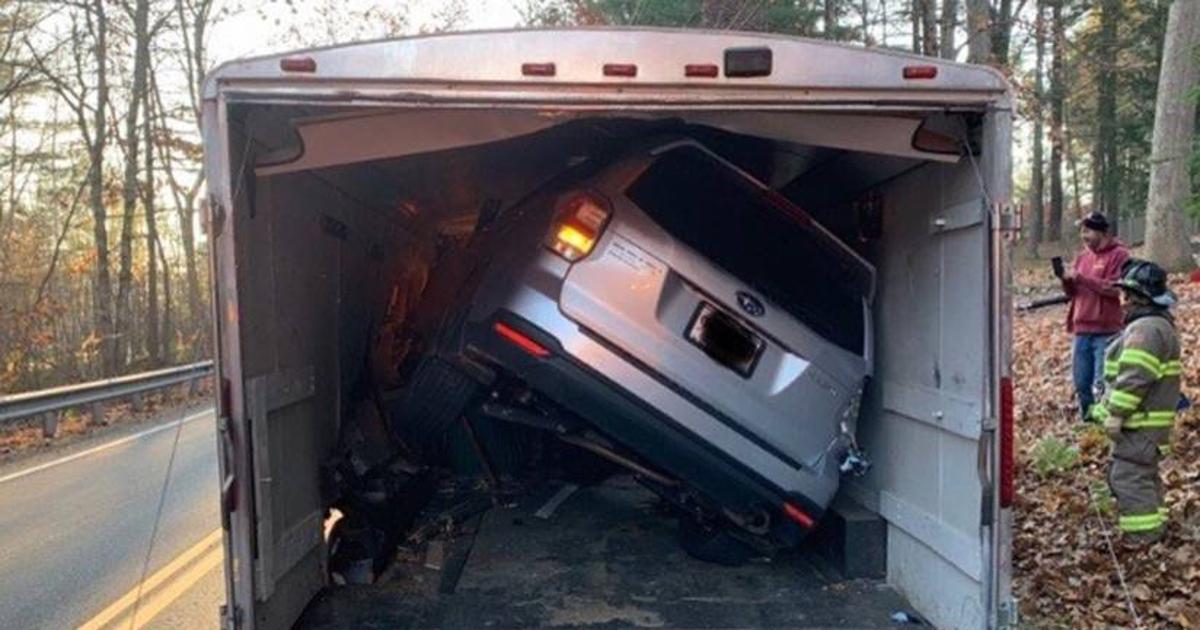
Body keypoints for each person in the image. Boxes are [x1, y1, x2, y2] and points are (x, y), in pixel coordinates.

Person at [1090, 259, 1181, 545]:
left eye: (1126, 296)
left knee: (1128, 477)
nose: (1123, 302)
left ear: (1138, 297)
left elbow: (1134, 378)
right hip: (1148, 426)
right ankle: (1157, 527)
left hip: (1139, 424)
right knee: (1144, 475)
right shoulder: (1156, 325)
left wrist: (1115, 413)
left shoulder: (1146, 331)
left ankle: (1143, 537)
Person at [1061, 212, 1129, 421]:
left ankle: (1103, 424)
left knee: (1102, 382)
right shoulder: (1082, 257)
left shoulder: (1120, 255)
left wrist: (1082, 278)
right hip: (1081, 328)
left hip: (1106, 330)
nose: (1084, 236)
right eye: (1082, 231)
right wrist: (1067, 281)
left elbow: (1114, 289)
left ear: (1102, 232)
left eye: (1088, 231)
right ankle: (1087, 421)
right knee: (1081, 383)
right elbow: (1073, 293)